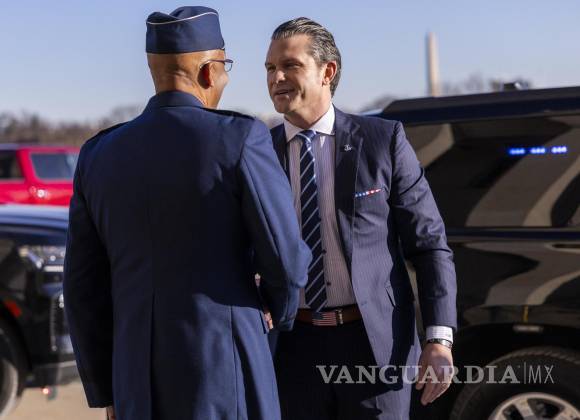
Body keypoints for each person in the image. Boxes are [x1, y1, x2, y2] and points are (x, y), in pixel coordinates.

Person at [63, 7, 311, 420]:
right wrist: (275, 315)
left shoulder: (98, 154)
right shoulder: (239, 138)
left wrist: (108, 390)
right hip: (226, 367)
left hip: (135, 381)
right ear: (209, 72)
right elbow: (285, 262)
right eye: (226, 68)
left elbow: (82, 289)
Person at [265, 17, 457, 419]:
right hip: (291, 348)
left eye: (290, 65)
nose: (276, 77)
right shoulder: (257, 154)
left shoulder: (382, 141)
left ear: (327, 72)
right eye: (270, 68)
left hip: (374, 347)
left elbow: (429, 244)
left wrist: (439, 339)